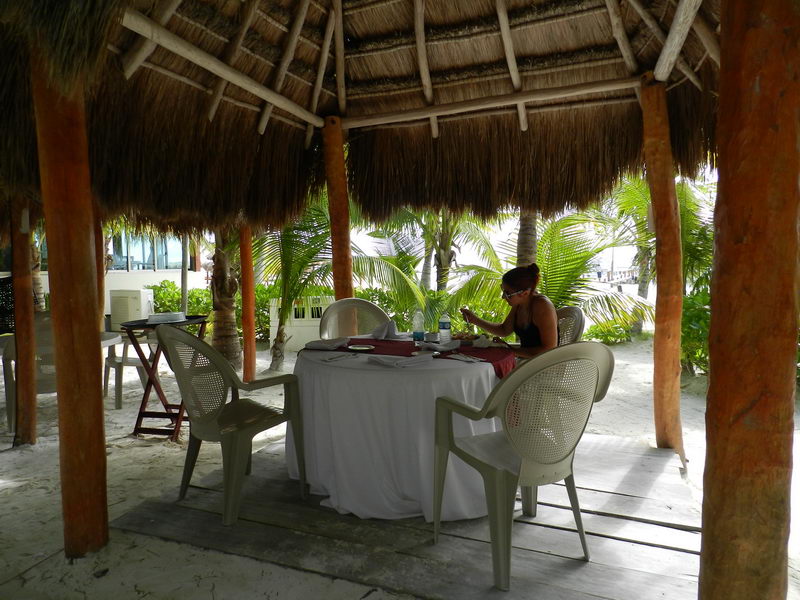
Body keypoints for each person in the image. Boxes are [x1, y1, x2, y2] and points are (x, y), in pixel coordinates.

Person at [460, 263, 558, 359]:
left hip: (543, 366)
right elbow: (504, 330)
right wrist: (474, 320)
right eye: (503, 290)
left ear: (525, 293)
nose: (503, 297)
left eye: (508, 293)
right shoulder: (520, 303)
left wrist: (510, 350)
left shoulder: (542, 306)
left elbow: (549, 349)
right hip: (525, 361)